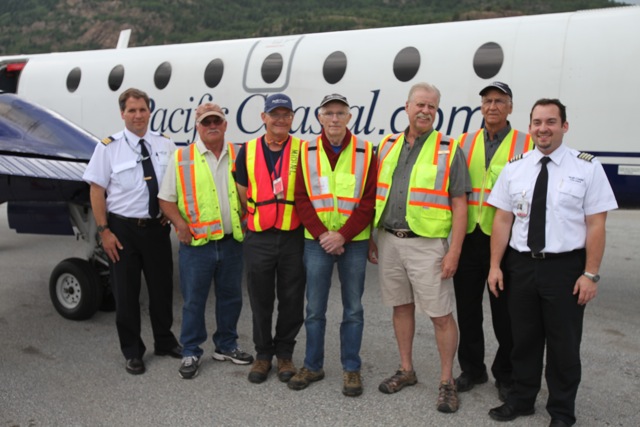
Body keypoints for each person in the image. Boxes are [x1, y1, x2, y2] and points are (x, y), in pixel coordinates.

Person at [486, 99, 617, 426]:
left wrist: (591, 274)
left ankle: (561, 411)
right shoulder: (515, 167)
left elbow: (596, 225)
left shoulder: (586, 168)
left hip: (565, 269)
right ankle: (522, 400)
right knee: (523, 340)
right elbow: (502, 220)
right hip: (521, 266)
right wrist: (495, 266)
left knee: (564, 346)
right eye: (537, 122)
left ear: (564, 126)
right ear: (529, 126)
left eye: (551, 122)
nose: (543, 128)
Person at [368, 82, 470, 412]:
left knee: (440, 314)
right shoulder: (386, 145)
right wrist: (372, 236)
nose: (425, 111)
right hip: (390, 240)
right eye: (420, 105)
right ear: (407, 107)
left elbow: (459, 203)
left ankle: (446, 381)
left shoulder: (448, 148)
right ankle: (406, 369)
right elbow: (376, 194)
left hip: (428, 246)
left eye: (432, 107)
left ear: (437, 112)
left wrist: (454, 250)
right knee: (400, 306)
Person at [83, 87, 181, 375]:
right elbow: (96, 190)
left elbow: (174, 184)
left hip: (156, 229)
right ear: (122, 113)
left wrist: (170, 213)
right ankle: (132, 351)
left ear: (150, 111)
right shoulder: (108, 147)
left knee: (162, 290)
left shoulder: (165, 144)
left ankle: (164, 341)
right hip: (122, 230)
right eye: (132, 110)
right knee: (126, 294)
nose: (138, 115)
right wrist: (104, 232)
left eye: (143, 109)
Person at [288, 94, 377, 396]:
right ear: (320, 117)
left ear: (350, 118)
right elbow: (301, 197)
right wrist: (323, 233)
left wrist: (343, 235)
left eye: (341, 113)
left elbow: (369, 200)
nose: (335, 119)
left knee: (353, 309)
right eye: (330, 113)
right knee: (314, 309)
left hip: (353, 242)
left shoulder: (366, 151)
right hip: (317, 241)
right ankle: (313, 365)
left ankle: (351, 368)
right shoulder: (306, 150)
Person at [158, 103, 254, 380]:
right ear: (198, 127)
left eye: (217, 121)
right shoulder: (182, 157)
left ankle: (226, 345)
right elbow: (166, 198)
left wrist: (249, 215)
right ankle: (191, 350)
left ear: (225, 125)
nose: (212, 126)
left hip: (232, 241)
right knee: (193, 301)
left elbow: (252, 190)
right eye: (206, 122)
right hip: (197, 244)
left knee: (231, 297)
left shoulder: (239, 153)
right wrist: (179, 223)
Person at [453, 82, 533, 400]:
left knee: (506, 313)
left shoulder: (526, 144)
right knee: (468, 309)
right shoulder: (464, 141)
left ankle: (506, 373)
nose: (493, 106)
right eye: (487, 101)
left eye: (500, 101)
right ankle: (472, 369)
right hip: (470, 238)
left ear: (511, 107)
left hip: (507, 241)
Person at [234, 93, 305, 385]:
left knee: (292, 299)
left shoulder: (304, 149)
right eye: (274, 114)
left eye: (286, 114)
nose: (280, 119)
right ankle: (263, 355)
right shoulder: (247, 151)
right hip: (259, 236)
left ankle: (285, 354)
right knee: (261, 298)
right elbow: (241, 188)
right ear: (263, 117)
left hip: (293, 236)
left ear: (292, 118)